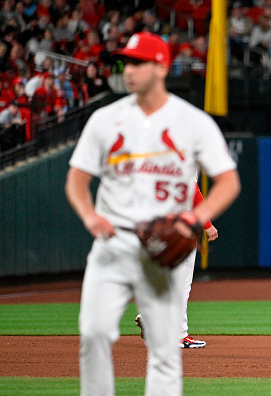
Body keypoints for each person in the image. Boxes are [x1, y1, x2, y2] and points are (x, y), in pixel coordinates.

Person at [64, 32, 241, 395]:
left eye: (137, 62)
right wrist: (88, 215)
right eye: (125, 62)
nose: (128, 70)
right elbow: (76, 180)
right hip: (113, 244)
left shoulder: (192, 123)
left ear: (161, 67)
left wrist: (197, 218)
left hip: (163, 248)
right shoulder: (104, 119)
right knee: (94, 332)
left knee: (165, 349)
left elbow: (228, 182)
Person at [136, 182, 218, 349]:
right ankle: (180, 334)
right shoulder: (186, 157)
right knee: (182, 283)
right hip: (180, 229)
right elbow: (193, 188)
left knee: (167, 278)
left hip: (157, 225)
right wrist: (207, 224)